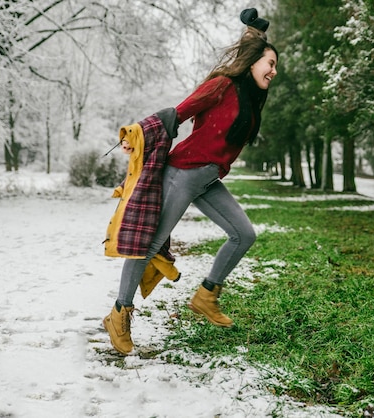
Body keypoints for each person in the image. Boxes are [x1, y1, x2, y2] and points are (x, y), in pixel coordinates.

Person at [103, 8, 278, 355]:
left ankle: (206, 296)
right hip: (182, 174)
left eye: (275, 66)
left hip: (207, 179)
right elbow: (178, 112)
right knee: (149, 245)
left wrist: (254, 34)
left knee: (244, 235)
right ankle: (119, 314)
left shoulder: (251, 99)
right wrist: (136, 136)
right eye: (269, 63)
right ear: (253, 61)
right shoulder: (223, 85)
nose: (274, 71)